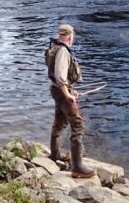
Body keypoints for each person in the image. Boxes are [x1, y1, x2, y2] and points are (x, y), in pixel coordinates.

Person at [44, 24, 96, 178]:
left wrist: (69, 91)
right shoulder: (63, 51)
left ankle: (55, 155)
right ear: (70, 36)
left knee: (60, 120)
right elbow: (60, 76)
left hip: (56, 90)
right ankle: (78, 167)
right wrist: (68, 94)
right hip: (61, 90)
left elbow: (57, 77)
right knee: (78, 124)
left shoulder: (54, 47)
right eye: (72, 36)